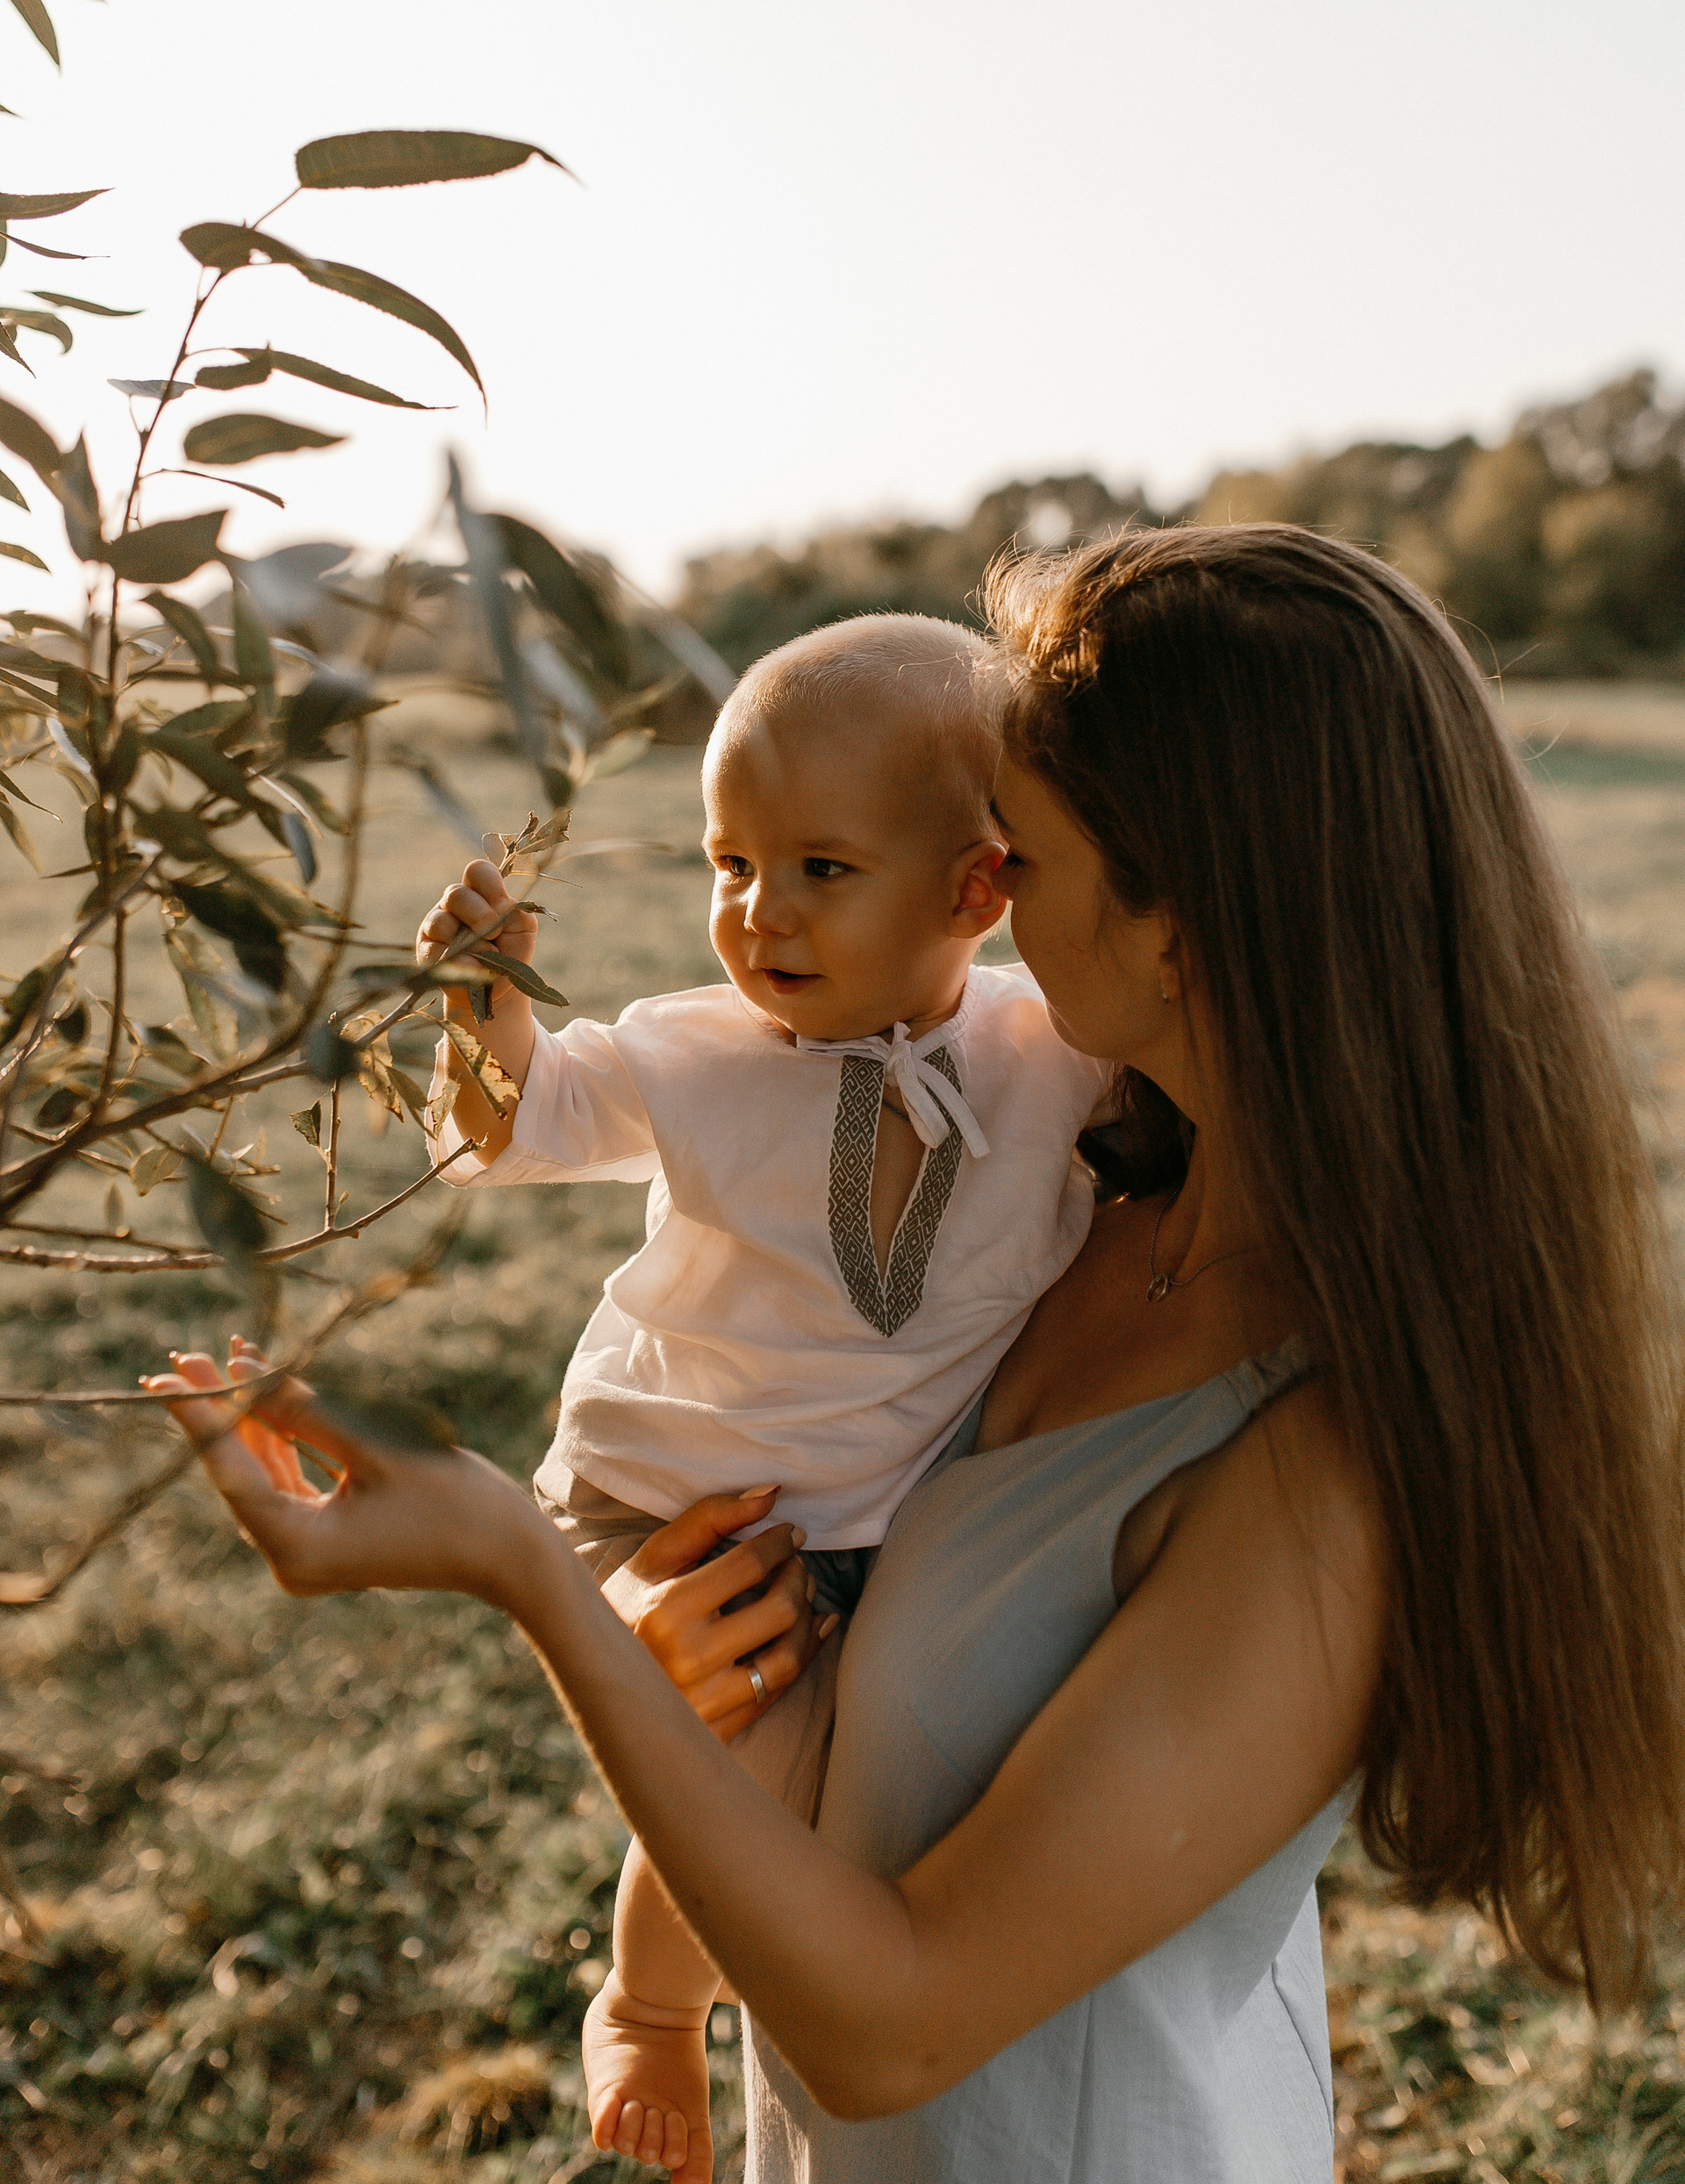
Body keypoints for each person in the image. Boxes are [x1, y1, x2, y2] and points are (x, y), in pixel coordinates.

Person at [151, 525, 1685, 2184]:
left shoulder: (1320, 1472)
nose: (988, 902)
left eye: (1017, 858)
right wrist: (669, 1651)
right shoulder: (1094, 1212)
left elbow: (895, 2025)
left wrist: (521, 1570)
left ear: (1185, 926)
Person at [412, 613, 1115, 2166]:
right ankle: (649, 2004)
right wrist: (483, 1013)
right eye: (728, 863)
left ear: (977, 889)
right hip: (671, 1494)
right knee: (746, 1762)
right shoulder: (699, 1054)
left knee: (851, 1797)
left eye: (820, 868)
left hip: (868, 1519)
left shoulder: (1052, 1054)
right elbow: (514, 1125)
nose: (756, 914)